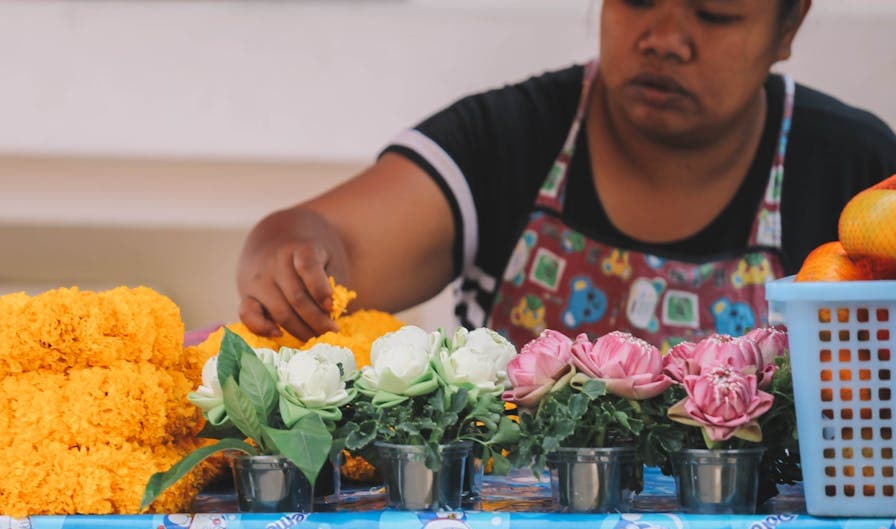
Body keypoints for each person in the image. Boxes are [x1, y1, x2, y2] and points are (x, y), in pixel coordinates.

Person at [235, 0, 896, 348]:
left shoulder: (858, 173)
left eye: (715, 12)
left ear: (790, 24)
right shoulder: (508, 140)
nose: (666, 37)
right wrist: (287, 258)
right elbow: (333, 240)